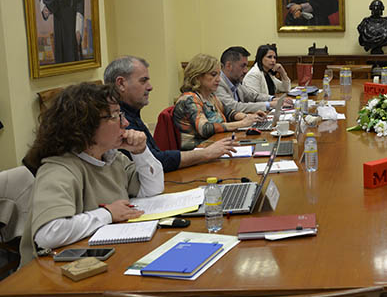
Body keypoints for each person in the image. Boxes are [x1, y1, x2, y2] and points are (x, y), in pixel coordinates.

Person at [19, 83, 164, 267]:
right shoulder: (59, 170)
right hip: (52, 278)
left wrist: (141, 152)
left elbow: (152, 189)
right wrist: (108, 214)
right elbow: (48, 234)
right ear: (85, 125)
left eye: (122, 115)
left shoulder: (112, 157)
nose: (125, 123)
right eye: (115, 116)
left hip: (102, 260)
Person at [105, 56, 237, 172]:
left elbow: (155, 158)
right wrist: (206, 153)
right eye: (143, 81)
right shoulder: (114, 121)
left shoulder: (131, 113)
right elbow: (156, 161)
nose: (150, 87)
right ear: (121, 83)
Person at [173, 53, 263, 150]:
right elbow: (205, 129)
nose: (219, 79)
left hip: (215, 145)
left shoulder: (210, 96)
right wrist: (241, 124)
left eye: (219, 75)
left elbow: (228, 112)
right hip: (197, 151)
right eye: (213, 75)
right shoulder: (189, 99)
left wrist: (248, 117)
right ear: (197, 76)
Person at [216, 46, 285, 114]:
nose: (246, 70)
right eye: (243, 66)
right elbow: (234, 107)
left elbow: (252, 96)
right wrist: (269, 105)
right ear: (228, 65)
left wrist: (272, 99)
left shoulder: (235, 81)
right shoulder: (217, 83)